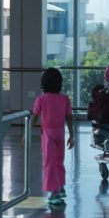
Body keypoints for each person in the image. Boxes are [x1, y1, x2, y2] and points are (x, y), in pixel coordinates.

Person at [32, 68, 75, 205]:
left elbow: (34, 116)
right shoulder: (64, 98)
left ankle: (53, 192)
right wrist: (72, 135)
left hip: (48, 134)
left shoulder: (41, 99)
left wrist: (27, 133)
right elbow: (69, 117)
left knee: (49, 163)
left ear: (43, 83)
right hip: (60, 133)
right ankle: (60, 186)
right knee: (58, 161)